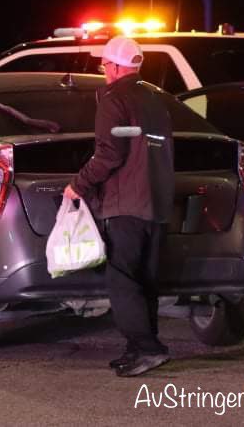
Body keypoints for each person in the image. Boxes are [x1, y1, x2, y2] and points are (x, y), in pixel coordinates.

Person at [63, 35, 175, 377]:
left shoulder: (114, 98)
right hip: (157, 203)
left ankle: (147, 348)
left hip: (126, 204)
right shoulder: (155, 98)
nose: (105, 72)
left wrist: (77, 185)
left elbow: (110, 153)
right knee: (146, 280)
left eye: (104, 66)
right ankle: (140, 347)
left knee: (123, 279)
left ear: (112, 66)